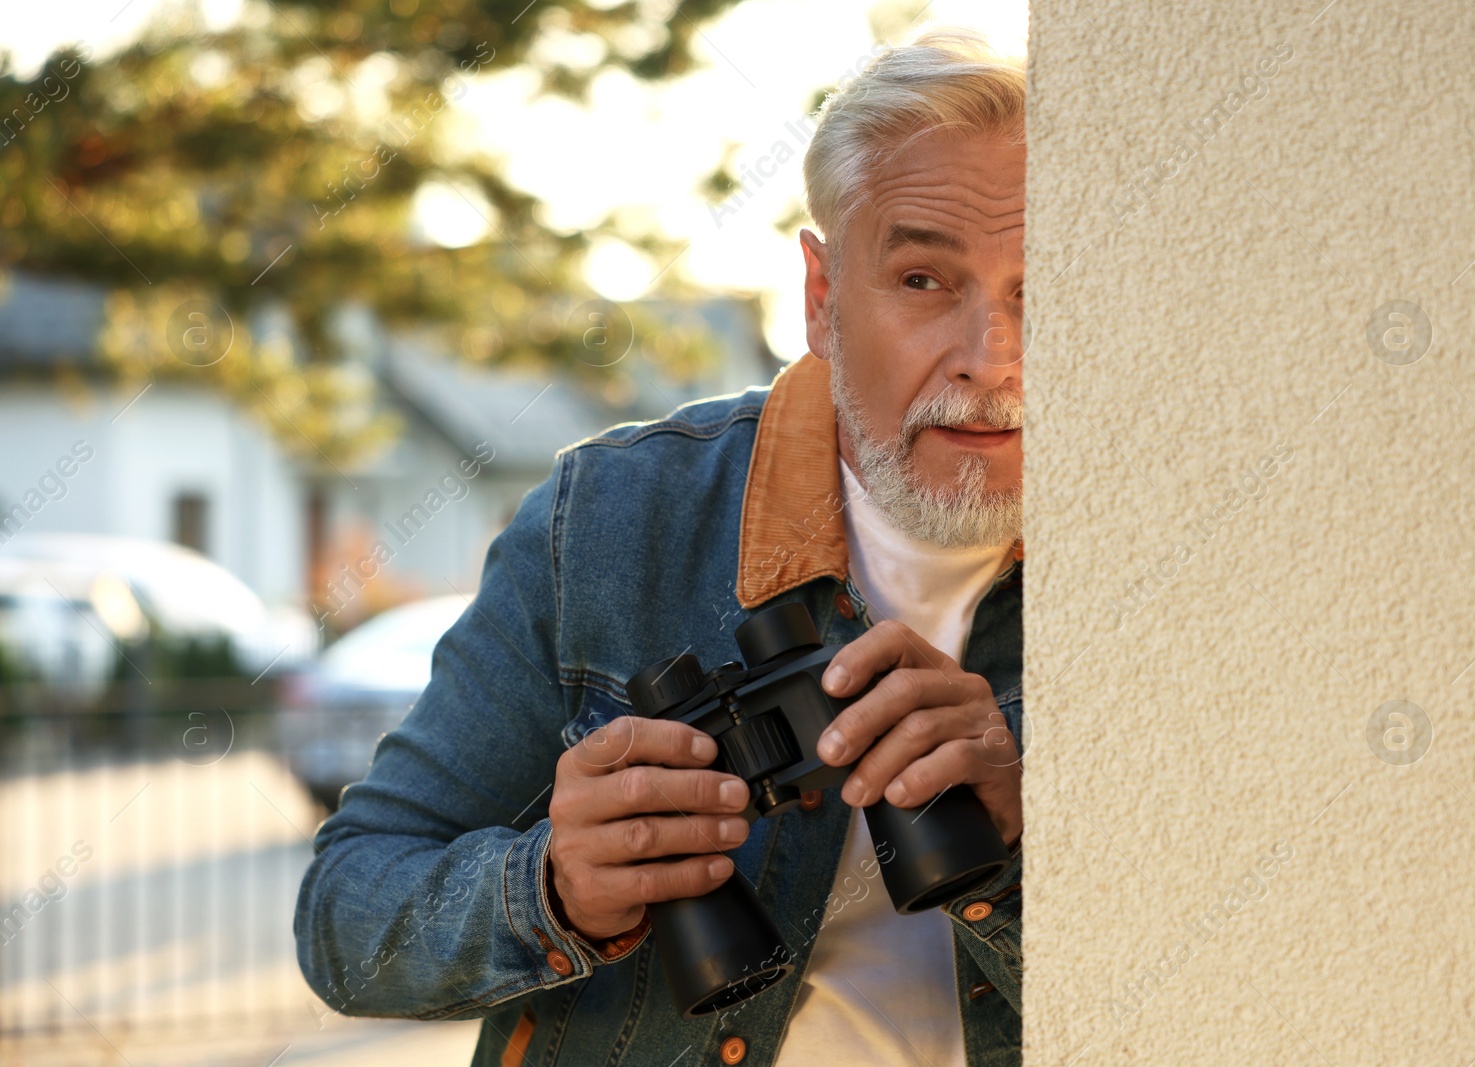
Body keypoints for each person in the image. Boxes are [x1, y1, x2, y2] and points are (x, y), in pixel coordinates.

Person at [294, 26, 1026, 1067]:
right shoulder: (609, 522)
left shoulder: (1171, 562)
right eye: (922, 280)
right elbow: (346, 921)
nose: (989, 359)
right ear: (820, 298)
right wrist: (558, 887)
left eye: (1037, 288)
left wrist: (1022, 837)